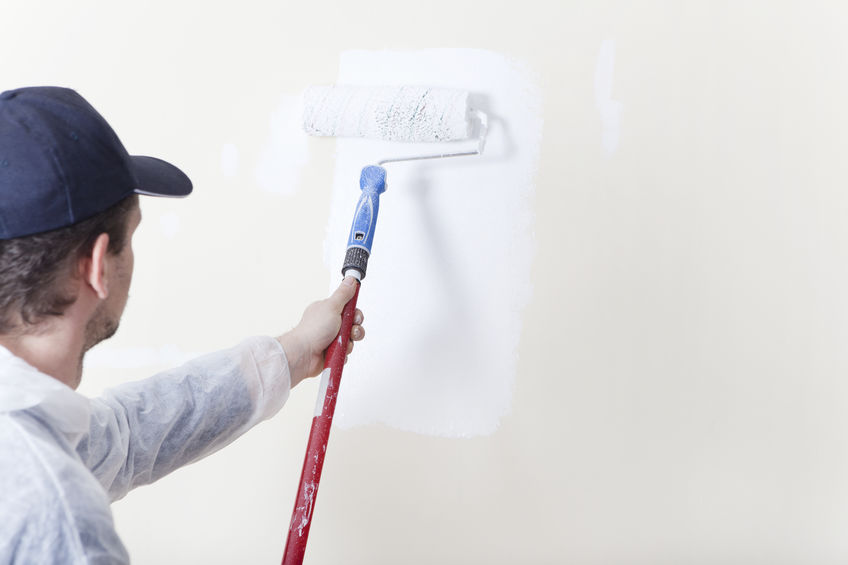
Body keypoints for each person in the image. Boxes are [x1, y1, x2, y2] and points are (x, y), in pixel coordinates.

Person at [0, 86, 365, 563]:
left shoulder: (29, 436)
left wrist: (291, 352)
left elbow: (120, 440)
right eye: (132, 236)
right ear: (97, 266)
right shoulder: (57, 519)